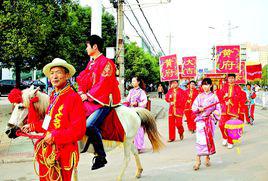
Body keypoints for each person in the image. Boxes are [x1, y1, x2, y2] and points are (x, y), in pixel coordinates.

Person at [22, 58, 86, 180]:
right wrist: (32, 126)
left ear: (67, 75)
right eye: (52, 73)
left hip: (64, 153)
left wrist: (55, 136)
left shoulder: (74, 98)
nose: (55, 76)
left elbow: (79, 130)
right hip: (48, 151)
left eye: (59, 72)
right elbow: (48, 122)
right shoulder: (53, 96)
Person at [76, 34, 121, 170]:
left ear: (95, 47)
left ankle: (101, 156)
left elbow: (104, 84)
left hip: (103, 101)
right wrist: (81, 92)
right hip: (90, 100)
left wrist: (87, 96)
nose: (86, 49)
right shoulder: (91, 63)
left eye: (87, 46)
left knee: (89, 126)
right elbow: (83, 79)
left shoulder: (107, 63)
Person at [192, 78, 221, 170]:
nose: (205, 86)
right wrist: (198, 109)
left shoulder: (214, 97)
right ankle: (198, 159)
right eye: (204, 85)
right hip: (201, 121)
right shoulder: (199, 96)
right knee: (200, 140)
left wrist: (213, 114)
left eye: (207, 84)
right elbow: (193, 107)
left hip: (210, 121)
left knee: (208, 139)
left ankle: (207, 156)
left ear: (211, 85)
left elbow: (218, 109)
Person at [217, 74, 244, 149]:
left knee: (231, 127)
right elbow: (219, 96)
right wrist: (224, 99)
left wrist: (232, 101)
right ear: (227, 79)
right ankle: (224, 137)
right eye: (230, 78)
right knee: (221, 125)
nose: (231, 79)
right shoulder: (224, 87)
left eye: (232, 78)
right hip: (224, 109)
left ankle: (230, 141)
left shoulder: (238, 88)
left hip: (233, 110)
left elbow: (240, 98)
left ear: (235, 79)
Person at [125, 76, 148, 153]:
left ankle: (139, 146)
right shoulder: (131, 91)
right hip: (131, 112)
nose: (133, 83)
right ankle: (133, 145)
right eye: (132, 81)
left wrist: (137, 103)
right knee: (131, 129)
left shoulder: (141, 92)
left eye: (134, 81)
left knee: (139, 129)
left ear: (138, 82)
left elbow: (145, 102)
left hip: (138, 112)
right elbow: (127, 100)